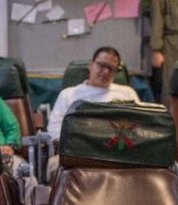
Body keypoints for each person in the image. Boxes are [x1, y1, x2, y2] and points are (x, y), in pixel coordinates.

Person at [45, 47, 140, 180]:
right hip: (77, 153)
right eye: (102, 65)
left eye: (111, 68)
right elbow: (54, 128)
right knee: (55, 166)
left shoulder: (127, 93)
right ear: (91, 65)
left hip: (118, 153)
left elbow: (138, 125)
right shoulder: (69, 94)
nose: (106, 72)